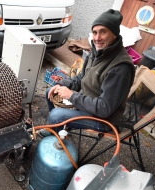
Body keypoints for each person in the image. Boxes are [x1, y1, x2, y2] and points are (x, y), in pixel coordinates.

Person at [39, 9, 135, 137]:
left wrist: (72, 96)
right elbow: (81, 78)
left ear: (114, 34)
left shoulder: (120, 68)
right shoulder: (97, 53)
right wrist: (62, 84)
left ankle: (56, 131)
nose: (97, 38)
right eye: (95, 32)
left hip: (102, 119)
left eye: (103, 32)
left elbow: (104, 108)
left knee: (56, 116)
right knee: (50, 91)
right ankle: (58, 128)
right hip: (86, 103)